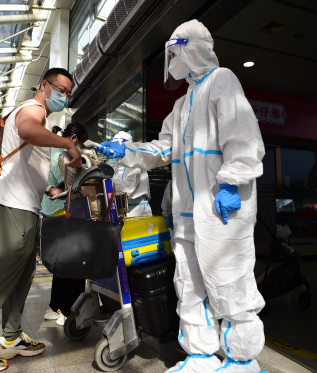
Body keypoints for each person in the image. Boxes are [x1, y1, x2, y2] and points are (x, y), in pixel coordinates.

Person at [95, 20, 266, 372]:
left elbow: (243, 137)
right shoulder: (183, 103)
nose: (172, 60)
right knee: (189, 283)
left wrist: (232, 183)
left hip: (221, 206)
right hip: (187, 212)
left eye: (176, 52)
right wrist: (126, 152)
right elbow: (161, 149)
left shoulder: (222, 81)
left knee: (229, 281)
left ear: (193, 49)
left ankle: (241, 359)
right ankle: (201, 354)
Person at [0, 67, 82, 373]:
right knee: (3, 273)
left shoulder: (39, 115)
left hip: (24, 204)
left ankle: (10, 338)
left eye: (68, 92)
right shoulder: (33, 108)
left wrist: (52, 190)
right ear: (44, 86)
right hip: (13, 203)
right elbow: (26, 130)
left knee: (22, 274)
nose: (64, 96)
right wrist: (67, 144)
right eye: (60, 89)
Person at [43, 122, 90, 326]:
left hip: (53, 213)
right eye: (81, 145)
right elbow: (73, 184)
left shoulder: (52, 151)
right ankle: (69, 310)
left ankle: (55, 307)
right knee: (75, 263)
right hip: (65, 213)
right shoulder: (63, 156)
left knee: (62, 263)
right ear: (74, 140)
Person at [109, 131, 153, 218]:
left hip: (138, 210)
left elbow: (126, 188)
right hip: (124, 210)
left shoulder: (135, 164)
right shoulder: (117, 167)